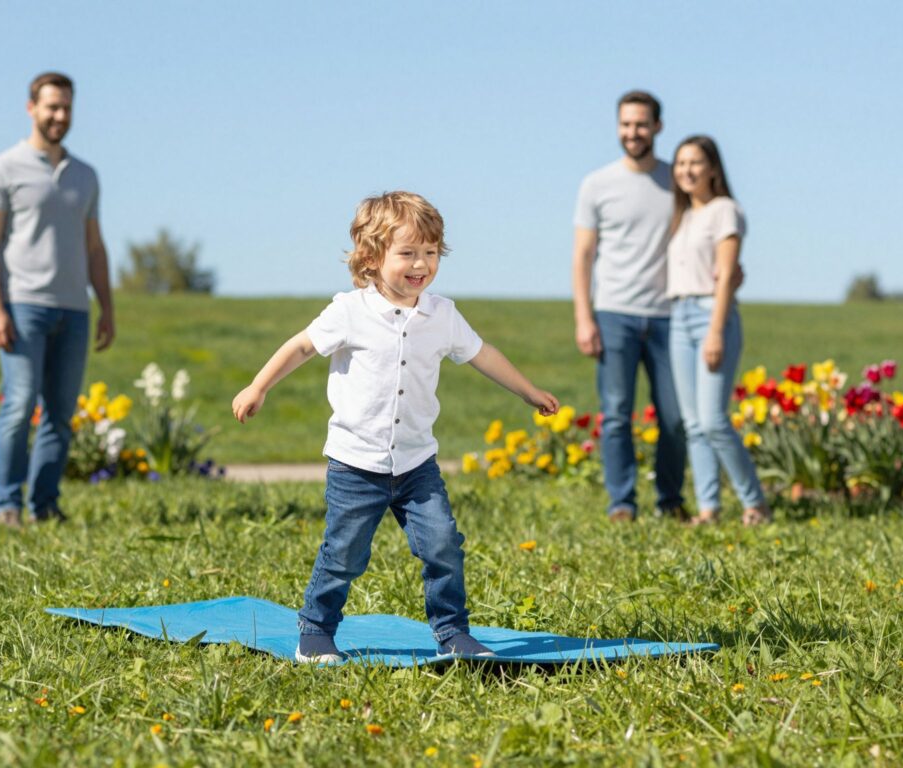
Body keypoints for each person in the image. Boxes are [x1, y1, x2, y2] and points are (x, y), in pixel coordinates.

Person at [232, 191, 559, 663]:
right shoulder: (349, 311)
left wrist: (528, 391)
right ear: (372, 256)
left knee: (443, 545)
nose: (420, 264)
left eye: (430, 252)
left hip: (415, 464)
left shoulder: (441, 314)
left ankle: (452, 633)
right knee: (344, 554)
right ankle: (316, 632)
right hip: (355, 465)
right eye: (407, 253)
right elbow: (302, 347)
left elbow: (482, 354)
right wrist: (258, 386)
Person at [0, 72, 114, 528]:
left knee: (60, 411)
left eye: (66, 108)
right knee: (18, 403)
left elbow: (95, 247)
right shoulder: (2, 168)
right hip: (22, 306)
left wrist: (106, 307)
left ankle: (45, 505)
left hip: (74, 308)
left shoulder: (85, 175)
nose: (59, 116)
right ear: (31, 107)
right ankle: (6, 505)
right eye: (51, 106)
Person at [572, 90, 687, 522]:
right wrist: (585, 316)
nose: (632, 132)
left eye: (640, 124)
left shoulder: (679, 179)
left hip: (670, 315)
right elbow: (583, 255)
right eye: (625, 124)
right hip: (614, 312)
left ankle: (671, 500)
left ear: (657, 126)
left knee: (675, 418)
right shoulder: (597, 184)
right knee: (617, 415)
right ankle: (622, 503)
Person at [666, 135, 771, 526]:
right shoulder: (683, 216)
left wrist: (715, 331)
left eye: (695, 163)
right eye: (680, 164)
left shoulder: (726, 210)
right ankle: (708, 508)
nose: (686, 171)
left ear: (712, 168)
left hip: (713, 314)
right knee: (693, 424)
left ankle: (755, 503)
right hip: (678, 316)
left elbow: (726, 274)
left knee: (713, 420)